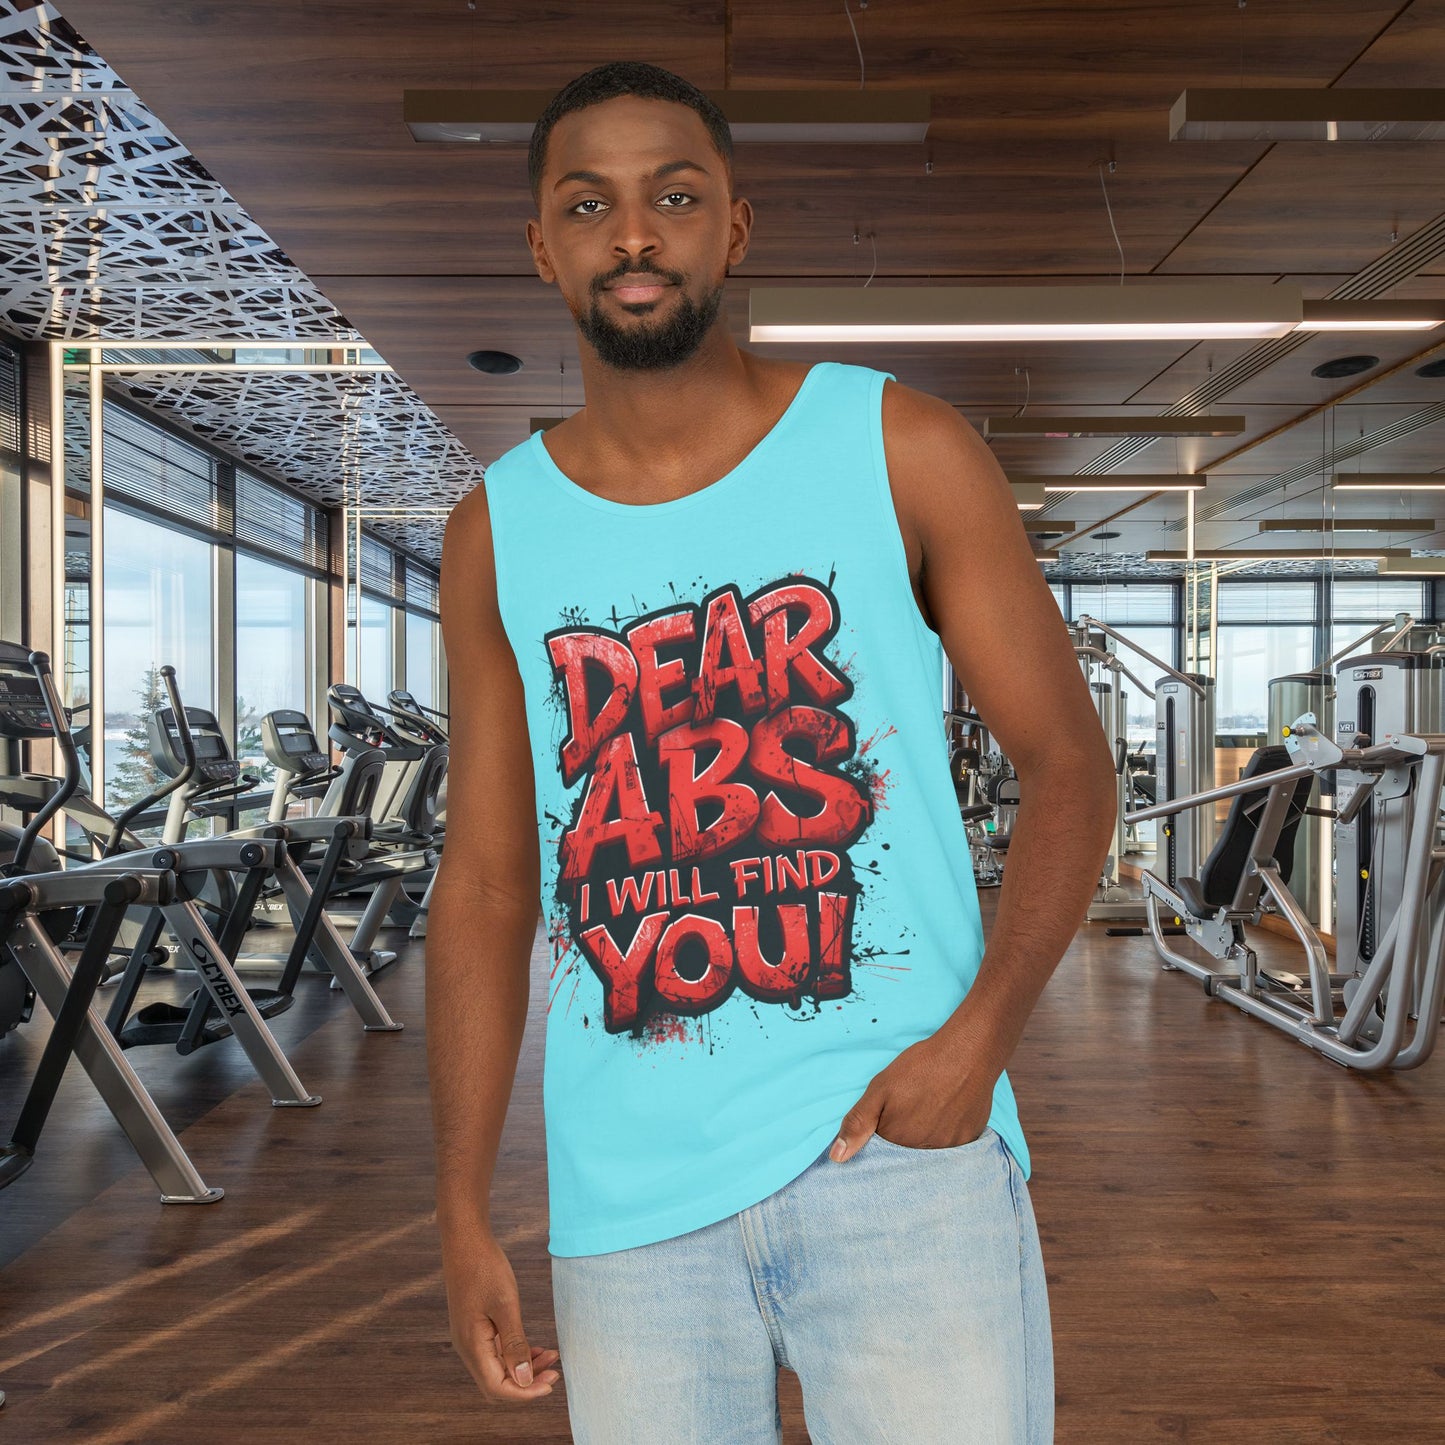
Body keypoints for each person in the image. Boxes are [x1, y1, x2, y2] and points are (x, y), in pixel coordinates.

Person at [427, 60, 1116, 1444]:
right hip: (629, 1199)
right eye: (590, 204)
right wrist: (457, 1206)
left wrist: (977, 1042)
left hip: (897, 1152)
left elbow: (1067, 763)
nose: (634, 237)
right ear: (542, 245)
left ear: (733, 227)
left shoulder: (897, 446)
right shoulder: (493, 531)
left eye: (672, 198)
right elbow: (491, 885)